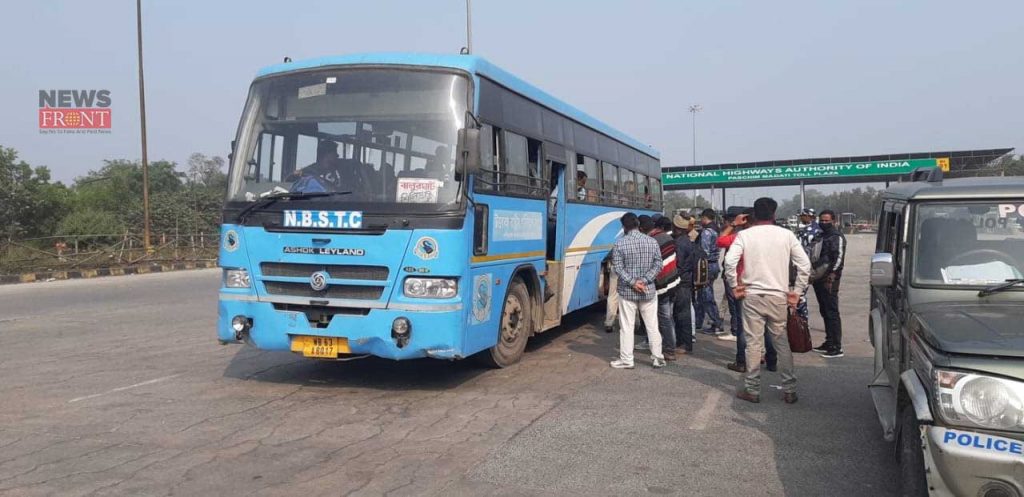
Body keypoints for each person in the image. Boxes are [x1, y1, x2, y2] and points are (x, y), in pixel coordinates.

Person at [723, 197, 811, 404]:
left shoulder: (744, 235)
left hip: (752, 296)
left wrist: (735, 285)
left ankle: (752, 389)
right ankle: (789, 389)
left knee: (753, 344)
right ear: (773, 214)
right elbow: (805, 266)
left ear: (753, 214)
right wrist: (796, 291)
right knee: (782, 343)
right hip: (778, 296)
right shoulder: (786, 235)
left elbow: (729, 261)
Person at [718, 208, 778, 373]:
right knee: (767, 325)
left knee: (745, 326)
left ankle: (742, 361)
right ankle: (771, 360)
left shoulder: (741, 236)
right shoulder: (774, 236)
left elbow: (720, 241)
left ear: (745, 220)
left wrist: (733, 224)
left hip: (744, 286)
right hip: (769, 285)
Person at [610, 213, 666, 369]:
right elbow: (658, 265)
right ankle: (658, 358)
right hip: (648, 291)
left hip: (627, 292)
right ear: (637, 224)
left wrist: (634, 283)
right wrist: (645, 280)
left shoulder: (620, 244)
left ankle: (627, 360)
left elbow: (618, 268)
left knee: (627, 327)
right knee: (652, 325)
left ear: (624, 227)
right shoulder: (652, 242)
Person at [812, 209, 847, 358]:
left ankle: (836, 347)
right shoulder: (820, 235)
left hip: (830, 279)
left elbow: (839, 257)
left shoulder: (836, 236)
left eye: (827, 220)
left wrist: (832, 275)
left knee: (832, 312)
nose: (824, 223)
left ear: (834, 221)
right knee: (824, 310)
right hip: (818, 277)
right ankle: (829, 341)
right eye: (822, 220)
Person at [647, 216, 681, 360]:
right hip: (673, 280)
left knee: (664, 317)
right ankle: (669, 344)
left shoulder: (652, 240)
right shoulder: (668, 238)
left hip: (662, 284)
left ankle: (669, 349)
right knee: (668, 316)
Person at [694, 209, 723, 335]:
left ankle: (716, 323)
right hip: (713, 264)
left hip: (706, 266)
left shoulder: (707, 232)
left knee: (706, 295)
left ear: (705, 217)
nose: (701, 220)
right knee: (701, 295)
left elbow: (704, 252)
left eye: (702, 218)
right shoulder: (716, 229)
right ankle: (698, 322)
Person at [672, 214, 696, 354]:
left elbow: (679, 264)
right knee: (681, 312)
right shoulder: (686, 240)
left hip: (681, 282)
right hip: (686, 280)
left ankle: (685, 344)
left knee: (682, 313)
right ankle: (682, 342)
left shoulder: (680, 243)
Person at [795, 208, 822, 321]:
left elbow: (810, 251)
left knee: (800, 294)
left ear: (810, 217)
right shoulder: (804, 229)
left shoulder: (815, 231)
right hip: (803, 265)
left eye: (803, 216)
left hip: (807, 266)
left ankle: (802, 320)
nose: (801, 218)